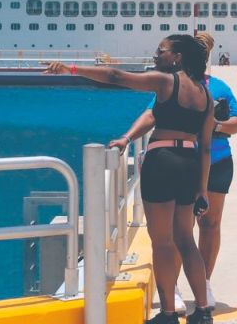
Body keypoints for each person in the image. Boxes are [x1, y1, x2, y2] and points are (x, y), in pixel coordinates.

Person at [46, 36, 215, 323]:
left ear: (177, 57)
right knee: (186, 240)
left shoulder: (166, 82)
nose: (156, 54)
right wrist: (202, 189)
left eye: (161, 50)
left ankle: (169, 315)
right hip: (189, 163)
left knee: (162, 243)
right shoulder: (205, 95)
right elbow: (207, 146)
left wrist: (72, 69)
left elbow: (115, 76)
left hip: (162, 162)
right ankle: (202, 311)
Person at [117, 32, 237, 312]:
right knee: (183, 237)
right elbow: (155, 116)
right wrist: (127, 137)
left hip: (189, 161)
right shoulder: (194, 89)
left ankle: (183, 300)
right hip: (193, 163)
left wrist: (211, 127)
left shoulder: (202, 86)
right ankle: (189, 300)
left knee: (184, 234)